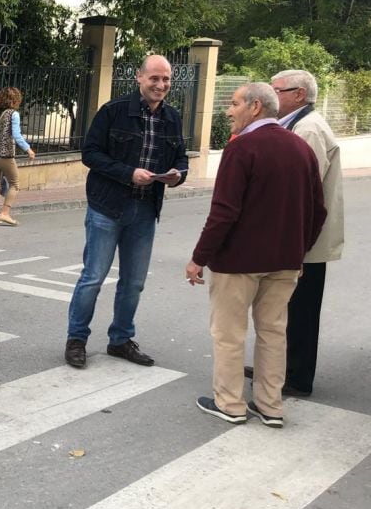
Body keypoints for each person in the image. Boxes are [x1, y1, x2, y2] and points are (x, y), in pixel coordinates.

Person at [187, 83, 325, 427]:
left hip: (239, 263)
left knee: (230, 333)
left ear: (256, 107)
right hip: (285, 262)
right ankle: (270, 405)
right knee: (273, 333)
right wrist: (300, 250)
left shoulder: (242, 149)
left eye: (234, 104)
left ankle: (231, 403)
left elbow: (224, 212)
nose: (229, 111)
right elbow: (317, 210)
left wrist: (198, 258)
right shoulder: (301, 149)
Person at [64, 55, 188, 369]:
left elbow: (182, 158)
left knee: (134, 282)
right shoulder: (113, 111)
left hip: (145, 211)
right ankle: (76, 339)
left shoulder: (172, 117)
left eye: (166, 80)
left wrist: (178, 175)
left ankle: (120, 340)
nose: (161, 85)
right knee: (93, 278)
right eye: (155, 79)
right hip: (107, 207)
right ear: (139, 78)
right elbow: (90, 153)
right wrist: (127, 173)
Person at [241, 70, 343, 397]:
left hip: (304, 240)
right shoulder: (298, 124)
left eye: (277, 90)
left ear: (298, 95)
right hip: (299, 236)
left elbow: (299, 188)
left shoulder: (308, 129)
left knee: (299, 309)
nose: (272, 96)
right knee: (283, 307)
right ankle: (277, 368)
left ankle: (296, 376)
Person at [0, 86, 36, 226]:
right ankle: (5, 213)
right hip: (5, 154)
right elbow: (17, 136)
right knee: (15, 184)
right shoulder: (13, 114)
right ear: (15, 100)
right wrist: (28, 149)